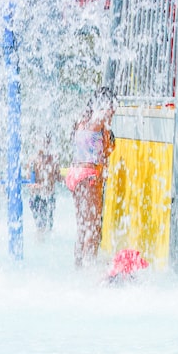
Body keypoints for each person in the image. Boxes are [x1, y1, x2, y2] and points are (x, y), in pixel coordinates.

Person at [65, 103, 113, 264]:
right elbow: (106, 150)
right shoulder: (101, 120)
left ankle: (78, 265)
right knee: (94, 226)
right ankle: (89, 268)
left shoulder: (80, 122)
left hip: (74, 174)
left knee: (82, 226)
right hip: (88, 175)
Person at [29, 148, 61, 236]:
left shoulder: (53, 160)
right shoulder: (34, 160)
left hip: (49, 196)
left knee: (48, 225)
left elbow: (58, 177)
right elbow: (30, 182)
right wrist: (36, 186)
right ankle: (41, 239)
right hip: (37, 196)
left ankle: (43, 242)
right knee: (41, 227)